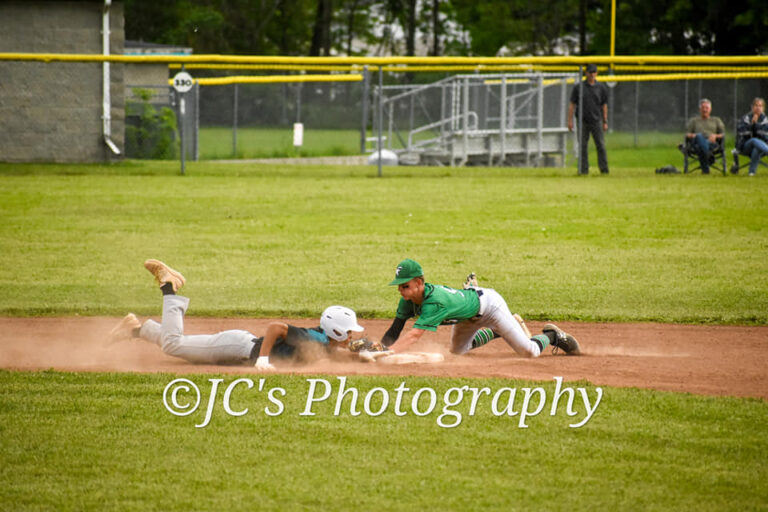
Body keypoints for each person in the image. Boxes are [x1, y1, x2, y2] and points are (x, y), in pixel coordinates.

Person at [108, 259, 365, 370]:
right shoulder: (313, 339)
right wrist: (263, 360)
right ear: (336, 331)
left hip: (237, 348)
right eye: (349, 330)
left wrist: (367, 355)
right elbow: (276, 327)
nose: (352, 335)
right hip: (238, 347)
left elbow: (338, 354)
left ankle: (135, 330)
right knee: (173, 345)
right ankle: (169, 287)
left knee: (184, 346)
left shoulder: (323, 342)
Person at [380, 259, 581, 357]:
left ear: (418, 282)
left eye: (405, 285)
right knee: (458, 351)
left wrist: (387, 353)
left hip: (490, 307)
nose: (400, 290)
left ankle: (553, 336)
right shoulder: (406, 300)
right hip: (466, 316)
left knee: (529, 352)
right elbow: (395, 329)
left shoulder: (434, 302)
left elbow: (414, 335)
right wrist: (380, 348)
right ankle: (499, 331)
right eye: (399, 285)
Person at [568, 63, 610, 175]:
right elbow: (572, 104)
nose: (592, 74)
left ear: (597, 73)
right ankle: (583, 170)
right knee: (582, 146)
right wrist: (570, 121)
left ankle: (604, 169)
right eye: (590, 72)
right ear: (586, 73)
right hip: (582, 122)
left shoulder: (601, 88)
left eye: (594, 72)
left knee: (600, 145)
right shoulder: (579, 87)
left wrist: (605, 121)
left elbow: (604, 105)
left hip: (596, 120)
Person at [685, 98, 725, 175]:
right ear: (699, 109)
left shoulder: (716, 120)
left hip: (712, 144)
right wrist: (693, 135)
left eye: (707, 108)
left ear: (710, 109)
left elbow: (723, 134)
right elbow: (687, 134)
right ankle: (709, 157)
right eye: (703, 108)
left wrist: (715, 136)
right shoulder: (694, 121)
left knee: (702, 147)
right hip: (696, 143)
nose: (705, 110)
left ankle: (705, 170)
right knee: (699, 136)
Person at [735, 97, 768, 176]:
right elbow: (743, 132)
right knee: (754, 140)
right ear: (752, 107)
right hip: (745, 146)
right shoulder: (745, 118)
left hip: (762, 147)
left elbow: (764, 133)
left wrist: (755, 125)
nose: (758, 108)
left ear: (763, 108)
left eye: (760, 106)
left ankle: (751, 172)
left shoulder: (766, 120)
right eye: (756, 105)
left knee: (757, 147)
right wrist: (752, 124)